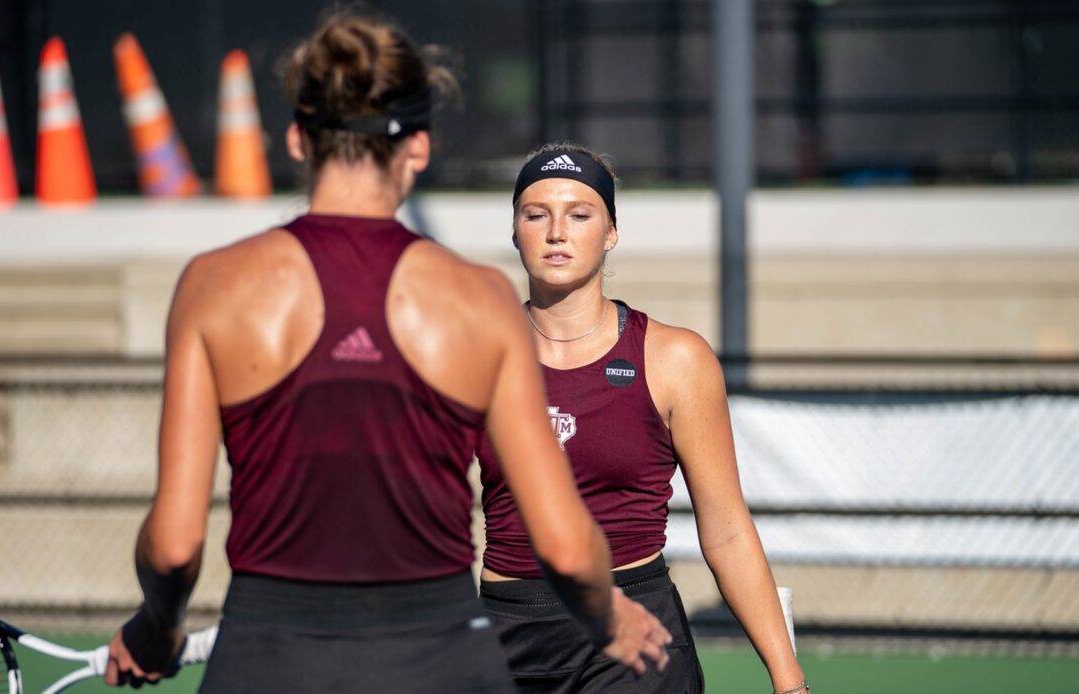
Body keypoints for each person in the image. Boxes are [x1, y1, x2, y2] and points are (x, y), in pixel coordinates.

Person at [102, 14, 671, 693]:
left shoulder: (215, 287)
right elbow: (566, 544)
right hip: (441, 661)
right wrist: (610, 618)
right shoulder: (479, 299)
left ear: (295, 139)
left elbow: (172, 546)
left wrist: (156, 630)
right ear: (420, 147)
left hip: (267, 658)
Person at [475, 143, 809, 694]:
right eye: (537, 215)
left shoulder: (675, 359)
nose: (557, 232)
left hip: (637, 635)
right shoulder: (472, 355)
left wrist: (788, 681)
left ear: (610, 232)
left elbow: (726, 529)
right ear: (516, 231)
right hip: (508, 634)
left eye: (580, 215)